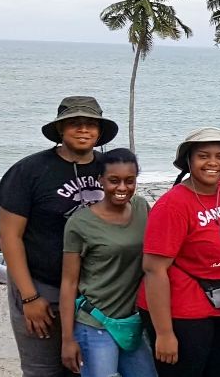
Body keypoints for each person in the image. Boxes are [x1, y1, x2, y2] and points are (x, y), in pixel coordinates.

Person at [0, 96, 118, 377]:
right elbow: (10, 237)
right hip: (42, 287)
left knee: (89, 368)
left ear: (99, 131)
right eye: (75, 123)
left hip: (95, 292)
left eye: (90, 124)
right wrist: (29, 297)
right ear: (61, 129)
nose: (83, 130)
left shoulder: (110, 168)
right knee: (43, 370)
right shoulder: (29, 171)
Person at [137, 127, 220, 377]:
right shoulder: (172, 205)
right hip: (180, 311)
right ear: (189, 160)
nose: (213, 163)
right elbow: (154, 270)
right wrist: (164, 333)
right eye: (203, 156)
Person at [59, 148, 157, 377]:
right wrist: (67, 339)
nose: (122, 188)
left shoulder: (143, 208)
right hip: (95, 322)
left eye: (129, 181)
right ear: (100, 180)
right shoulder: (80, 223)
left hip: (133, 321)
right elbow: (69, 282)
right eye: (114, 181)